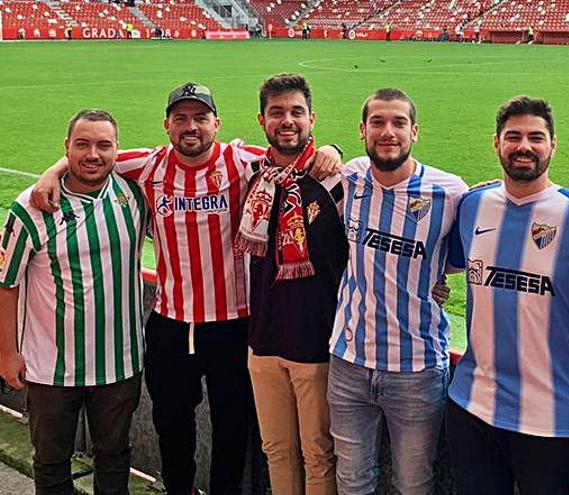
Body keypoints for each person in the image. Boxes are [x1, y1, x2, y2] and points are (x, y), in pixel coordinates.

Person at [31, 82, 343, 495]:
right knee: (171, 424)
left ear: (217, 123)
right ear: (167, 125)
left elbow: (293, 155)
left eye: (200, 118)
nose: (190, 127)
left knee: (233, 426)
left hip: (233, 322)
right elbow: (93, 156)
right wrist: (53, 172)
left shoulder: (243, 162)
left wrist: (333, 149)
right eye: (181, 119)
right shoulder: (146, 166)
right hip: (171, 323)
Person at [444, 96, 569, 494]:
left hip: (556, 420)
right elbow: (439, 266)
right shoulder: (473, 205)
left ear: (553, 145)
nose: (524, 146)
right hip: (473, 407)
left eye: (536, 137)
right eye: (513, 136)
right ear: (496, 143)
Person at [326, 88, 467, 495]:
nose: (388, 132)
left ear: (415, 132)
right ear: (362, 130)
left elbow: (467, 255)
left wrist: (435, 280)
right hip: (349, 361)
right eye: (378, 123)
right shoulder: (349, 176)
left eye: (398, 123)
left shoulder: (451, 192)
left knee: (413, 483)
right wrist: (331, 148)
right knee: (352, 479)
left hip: (417, 369)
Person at [0, 109, 147, 495]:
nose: (93, 154)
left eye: (104, 145)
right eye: (81, 144)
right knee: (51, 462)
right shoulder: (30, 209)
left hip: (120, 362)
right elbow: (6, 283)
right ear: (66, 148)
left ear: (117, 150)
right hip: (51, 368)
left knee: (114, 455)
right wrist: (7, 353)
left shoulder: (132, 194)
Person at [239, 74, 345, 495]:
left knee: (319, 452)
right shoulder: (251, 175)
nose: (288, 121)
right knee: (276, 450)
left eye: (296, 112)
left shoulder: (337, 181)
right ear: (262, 120)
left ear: (312, 118)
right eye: (277, 112)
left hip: (315, 343)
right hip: (262, 341)